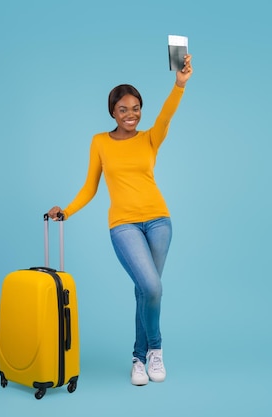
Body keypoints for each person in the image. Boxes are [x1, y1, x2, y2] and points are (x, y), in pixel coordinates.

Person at [48, 54, 193, 386]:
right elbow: (90, 186)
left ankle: (140, 359)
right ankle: (155, 348)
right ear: (113, 112)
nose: (131, 114)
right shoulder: (100, 142)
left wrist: (180, 85)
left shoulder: (150, 138)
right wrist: (66, 211)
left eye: (136, 108)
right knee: (152, 286)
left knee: (146, 292)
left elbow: (167, 115)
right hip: (124, 225)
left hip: (159, 222)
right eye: (124, 109)